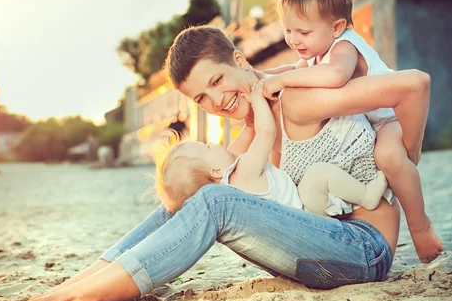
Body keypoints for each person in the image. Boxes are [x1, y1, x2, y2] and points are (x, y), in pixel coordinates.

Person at [0, 25, 433, 301]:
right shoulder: (247, 129)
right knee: (189, 194)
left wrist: (401, 157)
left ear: (239, 59)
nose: (217, 101)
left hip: (362, 249)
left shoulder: (295, 99)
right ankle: (80, 286)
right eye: (202, 98)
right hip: (317, 250)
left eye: (218, 81)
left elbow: (414, 85)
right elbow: (191, 195)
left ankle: (74, 300)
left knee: (215, 200)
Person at [259, 0, 443, 263]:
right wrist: (259, 76)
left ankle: (421, 226)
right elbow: (290, 70)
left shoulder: (345, 45)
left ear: (336, 26)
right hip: (366, 124)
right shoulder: (317, 49)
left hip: (388, 120)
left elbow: (335, 76)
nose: (294, 40)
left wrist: (280, 82)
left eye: (303, 32)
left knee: (390, 158)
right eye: (288, 30)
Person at [157, 79, 388, 216]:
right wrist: (257, 99)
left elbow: (244, 138)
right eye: (207, 147)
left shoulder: (233, 188)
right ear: (216, 171)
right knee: (318, 173)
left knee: (314, 175)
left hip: (299, 211)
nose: (214, 144)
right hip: (306, 213)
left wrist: (248, 123)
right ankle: (366, 195)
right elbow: (265, 133)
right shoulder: (243, 171)